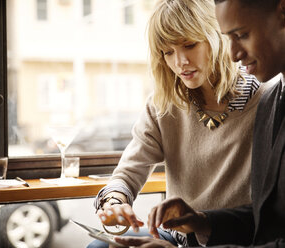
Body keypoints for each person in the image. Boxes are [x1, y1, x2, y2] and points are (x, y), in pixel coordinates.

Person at [87, 0, 271, 247]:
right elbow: (128, 173)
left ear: (216, 37)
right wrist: (114, 203)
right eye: (168, 51)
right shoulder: (162, 106)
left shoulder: (266, 100)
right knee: (101, 245)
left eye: (189, 45)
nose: (180, 61)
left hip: (235, 238)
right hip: (176, 238)